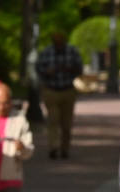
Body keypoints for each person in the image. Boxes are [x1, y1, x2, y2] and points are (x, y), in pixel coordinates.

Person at [36, 30, 83, 159]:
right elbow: (38, 69)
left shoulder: (72, 52)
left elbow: (80, 69)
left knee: (66, 124)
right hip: (51, 90)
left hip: (68, 90)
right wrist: (47, 72)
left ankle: (64, 149)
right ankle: (53, 147)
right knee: (53, 121)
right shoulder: (46, 52)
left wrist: (69, 69)